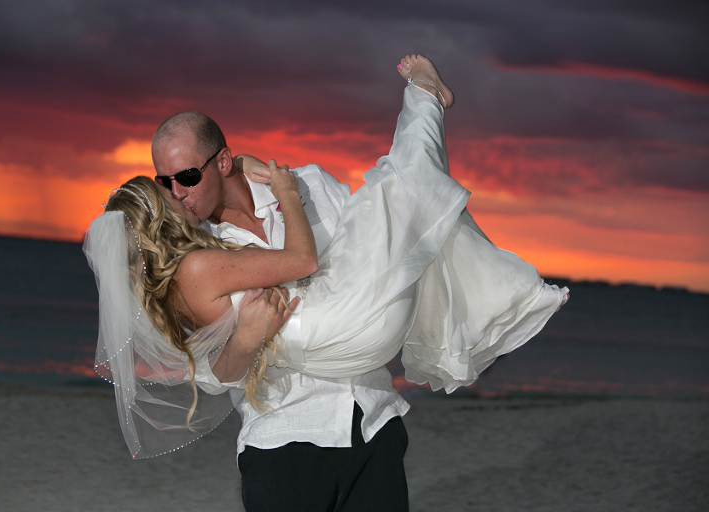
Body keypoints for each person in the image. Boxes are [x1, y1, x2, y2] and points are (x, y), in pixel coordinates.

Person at [84, 55, 568, 511]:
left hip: (371, 420)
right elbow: (217, 375)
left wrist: (282, 188)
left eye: (186, 175)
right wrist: (248, 338)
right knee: (399, 205)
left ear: (223, 161)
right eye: (164, 182)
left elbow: (371, 254)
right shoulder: (197, 256)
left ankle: (425, 98)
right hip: (285, 438)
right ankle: (424, 100)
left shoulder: (308, 185)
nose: (178, 193)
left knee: (401, 208)